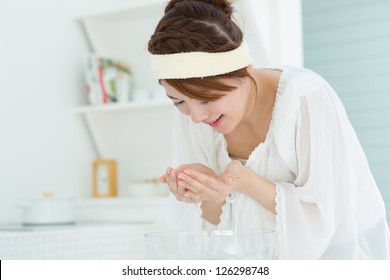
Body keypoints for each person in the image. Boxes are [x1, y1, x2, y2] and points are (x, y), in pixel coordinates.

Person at [148, 0, 390, 259]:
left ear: (245, 73)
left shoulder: (304, 98)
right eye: (178, 102)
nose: (196, 116)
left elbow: (324, 219)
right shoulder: (194, 115)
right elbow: (213, 235)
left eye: (206, 99)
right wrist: (207, 193)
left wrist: (247, 182)